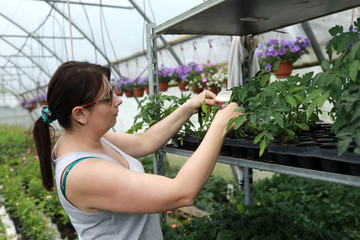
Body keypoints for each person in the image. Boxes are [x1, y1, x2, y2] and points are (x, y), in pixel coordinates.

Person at [32, 61, 240, 240]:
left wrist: (188, 106)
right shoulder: (83, 172)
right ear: (80, 114)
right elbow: (182, 192)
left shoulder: (87, 139)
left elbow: (144, 141)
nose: (118, 100)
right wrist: (220, 125)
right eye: (108, 97)